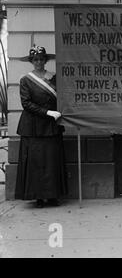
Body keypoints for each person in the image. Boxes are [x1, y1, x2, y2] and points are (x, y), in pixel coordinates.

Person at [15, 45, 67, 208]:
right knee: (35, 163)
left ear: (45, 60)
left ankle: (52, 196)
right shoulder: (25, 80)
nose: (39, 62)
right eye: (35, 59)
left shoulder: (53, 78)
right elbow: (26, 103)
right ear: (32, 61)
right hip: (33, 126)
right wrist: (47, 113)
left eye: (41, 59)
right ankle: (37, 197)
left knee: (52, 161)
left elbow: (62, 97)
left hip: (51, 126)